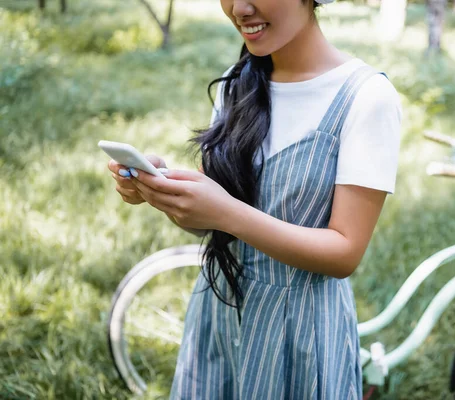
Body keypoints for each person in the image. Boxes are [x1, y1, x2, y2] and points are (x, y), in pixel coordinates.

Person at [107, 0, 402, 398]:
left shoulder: (365, 97)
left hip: (302, 333)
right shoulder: (238, 81)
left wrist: (226, 212)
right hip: (221, 312)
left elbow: (344, 253)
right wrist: (163, 192)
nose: (239, 8)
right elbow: (212, 222)